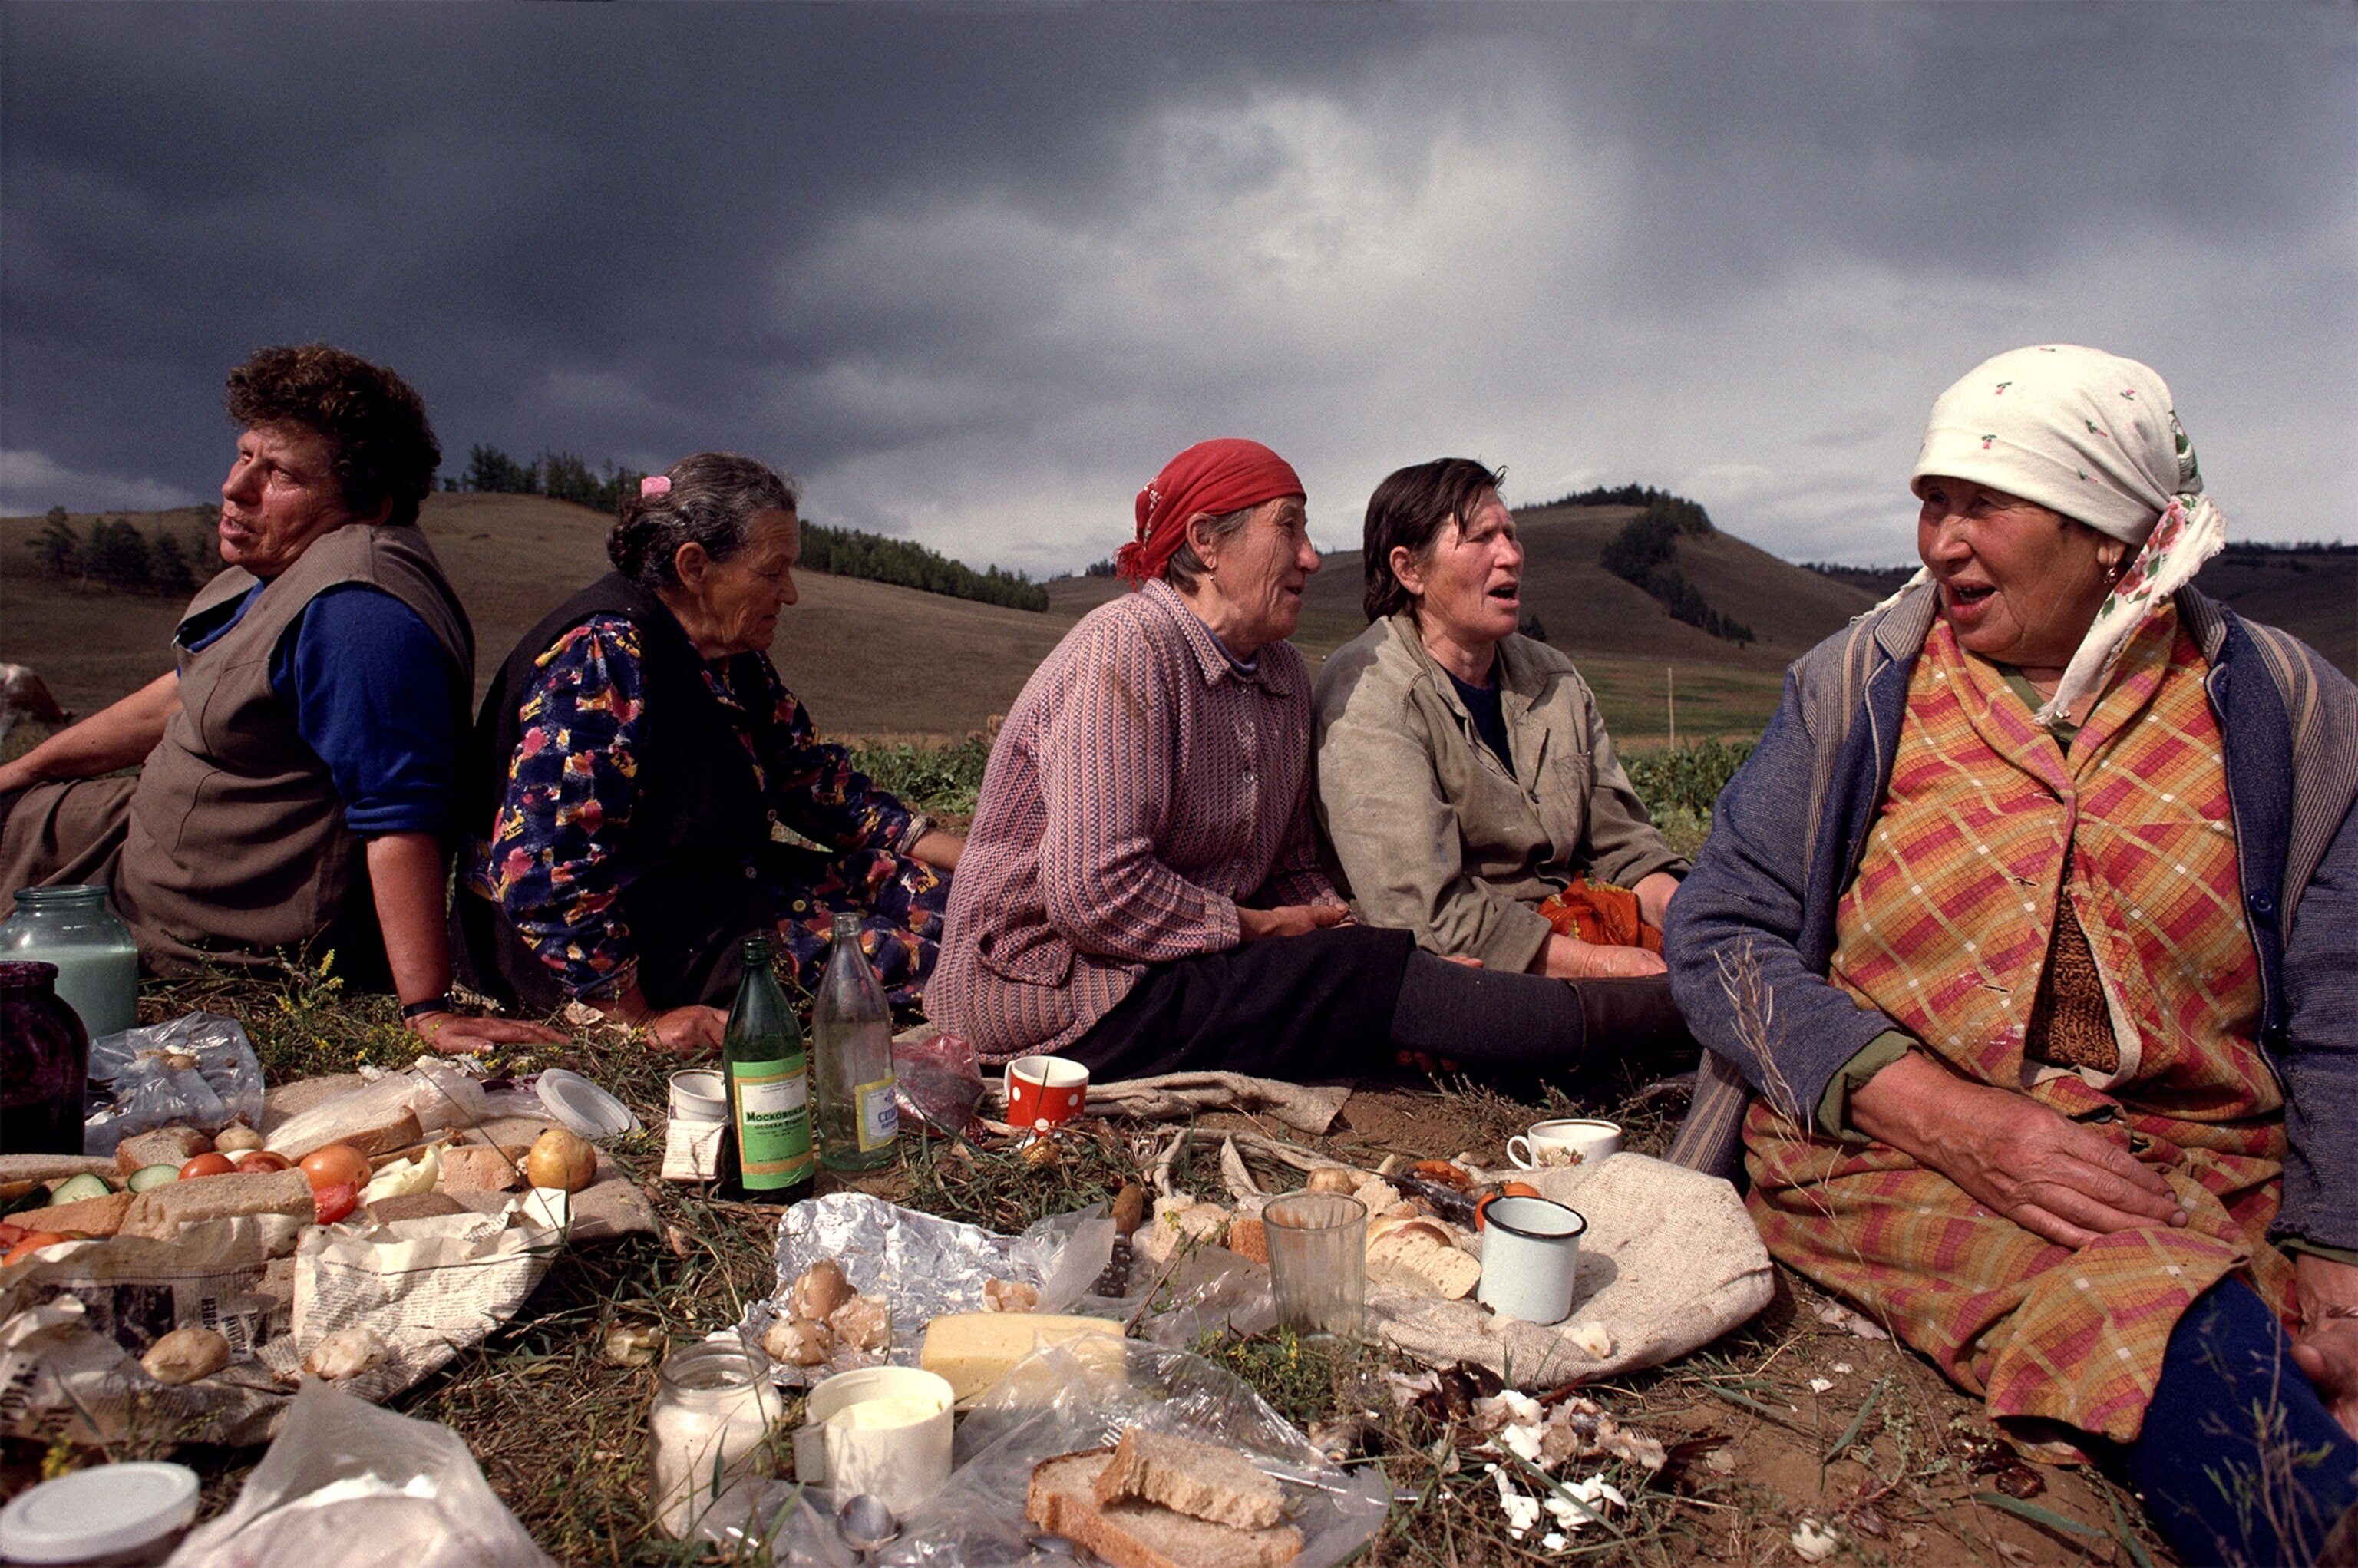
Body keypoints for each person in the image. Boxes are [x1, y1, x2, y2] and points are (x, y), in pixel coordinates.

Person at [1663, 345, 2357, 1565]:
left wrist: (2341, 1248)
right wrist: (1944, 1113)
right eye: (1932, 500)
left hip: (2213, 1151)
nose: (1939, 540)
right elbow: (1721, 934)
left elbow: (2346, 998)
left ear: (2112, 535)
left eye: (1983, 502)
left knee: (2294, 1329)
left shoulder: (2287, 711)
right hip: (1896, 1156)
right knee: (2154, 1315)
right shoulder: (1857, 687)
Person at [928, 437, 1625, 1084]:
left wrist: (1386, 954)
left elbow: (1291, 866)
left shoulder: (1283, 675)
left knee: (1359, 973)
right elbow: (1094, 896)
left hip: (1168, 967)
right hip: (1049, 985)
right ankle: (1631, 1022)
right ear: (1206, 542)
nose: (1312, 557)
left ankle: (1539, 1023)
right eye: (1287, 527)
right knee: (1338, 984)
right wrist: (1260, 929)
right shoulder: (1128, 648)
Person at [0, 344, 559, 1057]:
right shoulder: (278, 569)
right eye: (244, 456)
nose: (235, 487)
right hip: (135, 841)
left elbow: (399, 816)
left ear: (368, 505)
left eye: (281, 474)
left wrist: (427, 1009)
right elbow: (180, 697)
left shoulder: (359, 611)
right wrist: (20, 773)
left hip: (208, 925)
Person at [452, 452, 962, 1054]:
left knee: (955, 904)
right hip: (620, 941)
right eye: (773, 572)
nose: (790, 594)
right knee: (916, 963)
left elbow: (813, 781)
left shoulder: (728, 654)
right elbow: (543, 868)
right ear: (694, 566)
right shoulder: (603, 657)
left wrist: (977, 863)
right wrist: (635, 1019)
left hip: (711, 892)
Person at [1313, 457, 1696, 1072]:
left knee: (1737, 954)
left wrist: (1696, 931)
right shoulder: (1368, 691)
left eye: (1511, 534)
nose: (1510, 555)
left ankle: (1670, 1007)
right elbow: (1424, 911)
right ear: (1408, 569)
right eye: (1482, 538)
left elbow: (1627, 846)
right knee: (1622, 1011)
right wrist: (1607, 967)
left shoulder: (1554, 678)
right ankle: (1646, 1020)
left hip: (1575, 930)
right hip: (1474, 963)